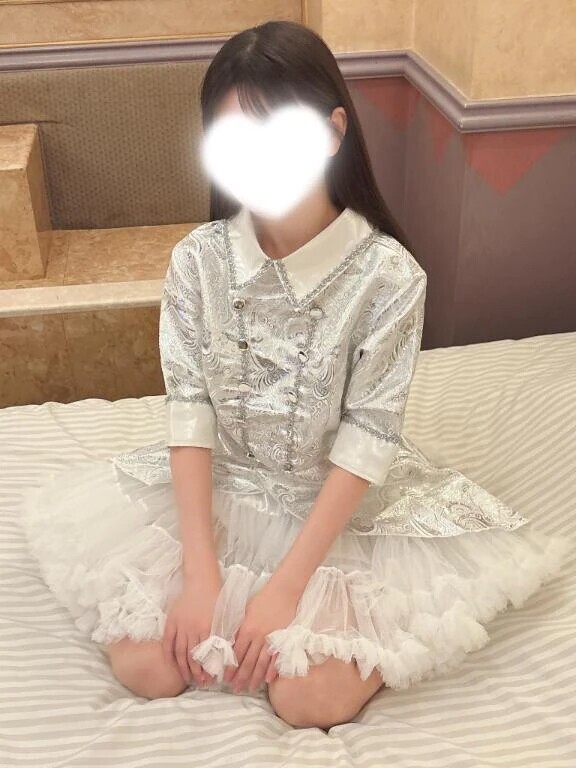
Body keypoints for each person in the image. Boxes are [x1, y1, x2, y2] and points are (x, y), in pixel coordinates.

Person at [17, 20, 571, 730]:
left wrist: (285, 589)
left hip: (335, 508)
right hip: (222, 487)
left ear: (332, 132)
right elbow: (190, 411)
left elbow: (368, 438)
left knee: (307, 700)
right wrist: (200, 573)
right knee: (150, 668)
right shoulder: (198, 261)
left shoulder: (389, 277)